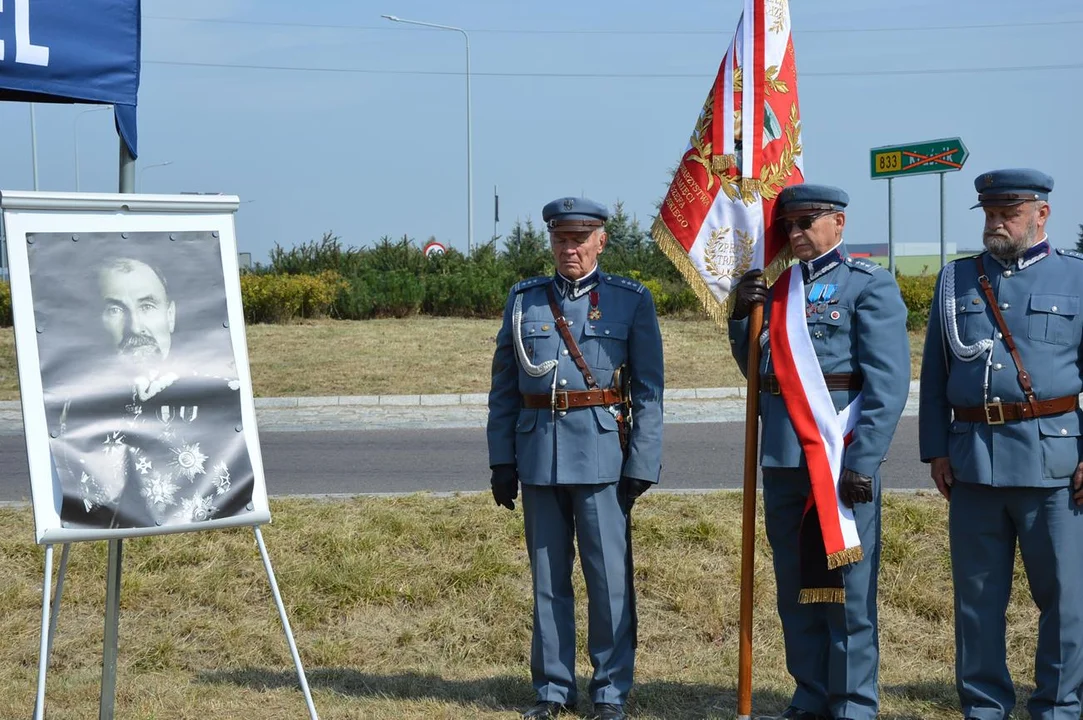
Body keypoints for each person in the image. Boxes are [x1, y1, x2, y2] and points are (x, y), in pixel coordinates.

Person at [729, 184, 911, 720]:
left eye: (808, 222)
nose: (797, 233)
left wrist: (864, 459)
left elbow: (888, 384)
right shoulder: (778, 291)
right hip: (784, 458)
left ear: (839, 224)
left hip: (838, 460)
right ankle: (810, 693)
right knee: (797, 587)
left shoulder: (869, 287)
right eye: (789, 225)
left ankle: (853, 702)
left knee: (848, 592)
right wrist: (744, 319)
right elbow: (756, 374)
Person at [486, 196, 665, 720]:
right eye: (561, 239)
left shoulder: (630, 300)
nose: (570, 249)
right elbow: (503, 389)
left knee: (608, 579)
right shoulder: (524, 301)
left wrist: (641, 463)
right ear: (551, 241)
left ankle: (610, 692)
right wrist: (502, 460)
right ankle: (552, 690)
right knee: (547, 579)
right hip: (539, 453)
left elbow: (650, 391)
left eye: (579, 239)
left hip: (602, 457)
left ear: (600, 241)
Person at [919, 169, 1083, 720]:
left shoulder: (1076, 279)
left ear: (1042, 214)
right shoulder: (955, 281)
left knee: (1064, 601)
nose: (995, 223)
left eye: (1007, 213)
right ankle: (984, 708)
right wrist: (936, 450)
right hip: (974, 466)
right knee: (976, 603)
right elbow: (936, 374)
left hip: (1054, 465)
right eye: (989, 213)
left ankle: (1059, 707)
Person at [46, 255, 254, 531]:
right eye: (115, 310)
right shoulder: (71, 409)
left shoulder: (219, 396)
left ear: (170, 315)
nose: (135, 327)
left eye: (147, 306)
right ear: (94, 321)